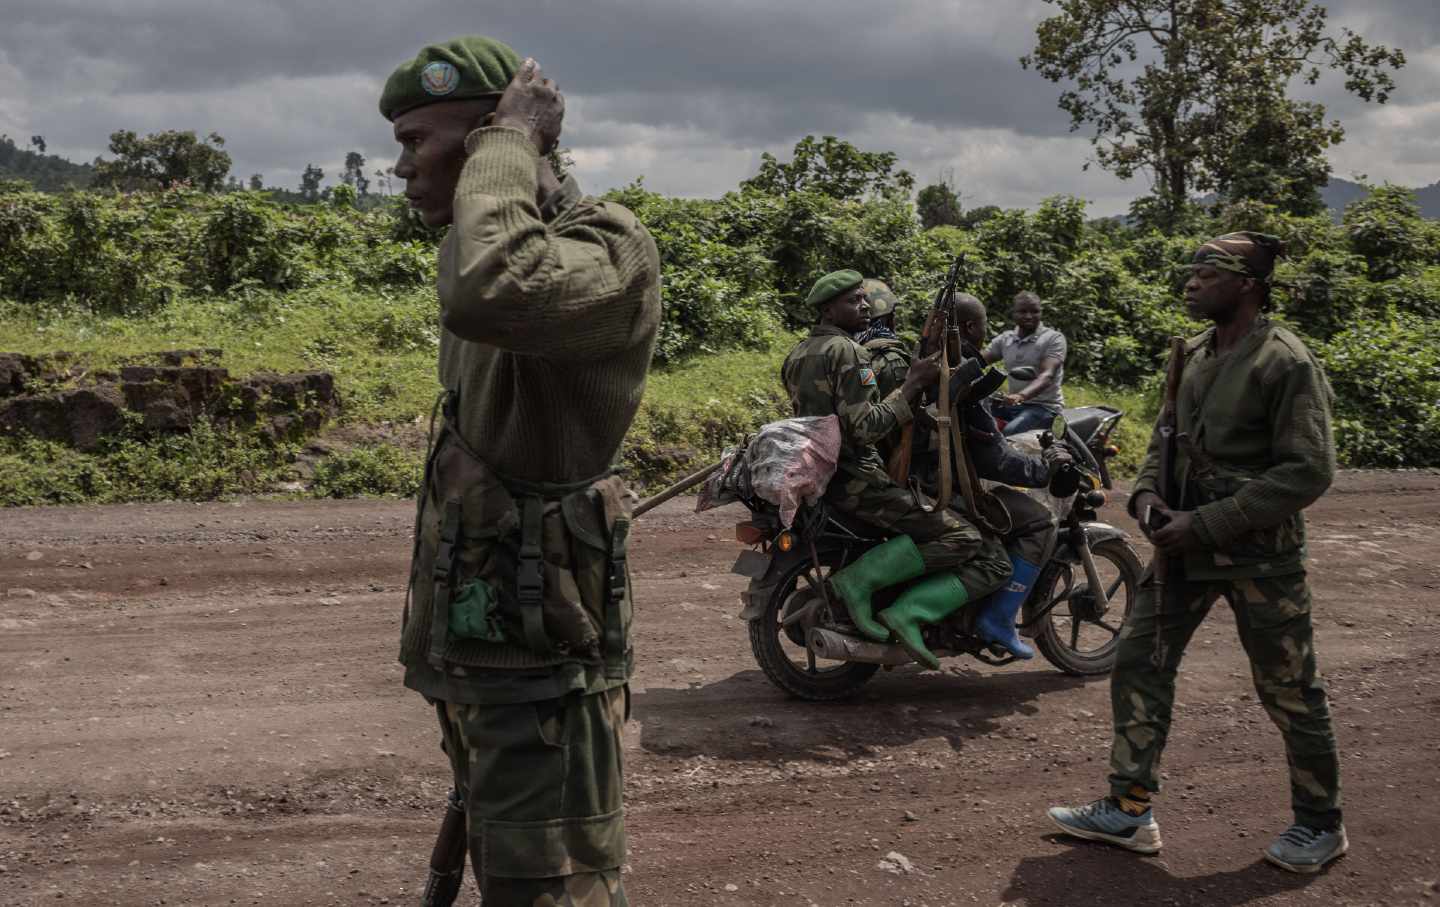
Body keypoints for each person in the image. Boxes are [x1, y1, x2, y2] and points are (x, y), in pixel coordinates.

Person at [382, 36, 660, 905]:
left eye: (418, 142)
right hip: (492, 657)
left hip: (543, 674)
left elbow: (490, 286)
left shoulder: (605, 253)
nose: (401, 169)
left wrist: (512, 142)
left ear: (486, 142)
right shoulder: (500, 245)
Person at [1047, 232, 1346, 874]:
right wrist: (1149, 495)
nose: (1190, 283)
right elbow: (1164, 438)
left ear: (1247, 284)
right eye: (1191, 271)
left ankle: (1320, 824)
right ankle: (1129, 810)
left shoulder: (1285, 361)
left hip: (1259, 558)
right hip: (1181, 550)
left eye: (1206, 273)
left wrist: (1206, 522)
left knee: (1289, 688)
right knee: (1137, 662)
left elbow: (1309, 470)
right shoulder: (1191, 354)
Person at [780, 269, 1014, 669]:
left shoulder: (797, 354)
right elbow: (864, 428)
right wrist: (912, 385)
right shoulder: (850, 353)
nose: (864, 305)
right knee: (965, 537)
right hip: (857, 480)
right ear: (829, 310)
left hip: (826, 475)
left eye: (863, 298)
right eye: (854, 300)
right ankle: (867, 588)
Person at [983, 291, 1067, 436]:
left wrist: (1020, 396)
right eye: (1023, 311)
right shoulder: (1006, 339)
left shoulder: (1053, 339)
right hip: (1013, 405)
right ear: (1014, 313)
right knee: (974, 417)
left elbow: (1047, 375)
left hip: (1044, 407)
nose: (1029, 316)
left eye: (1034, 311)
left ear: (1041, 312)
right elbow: (980, 359)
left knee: (1010, 433)